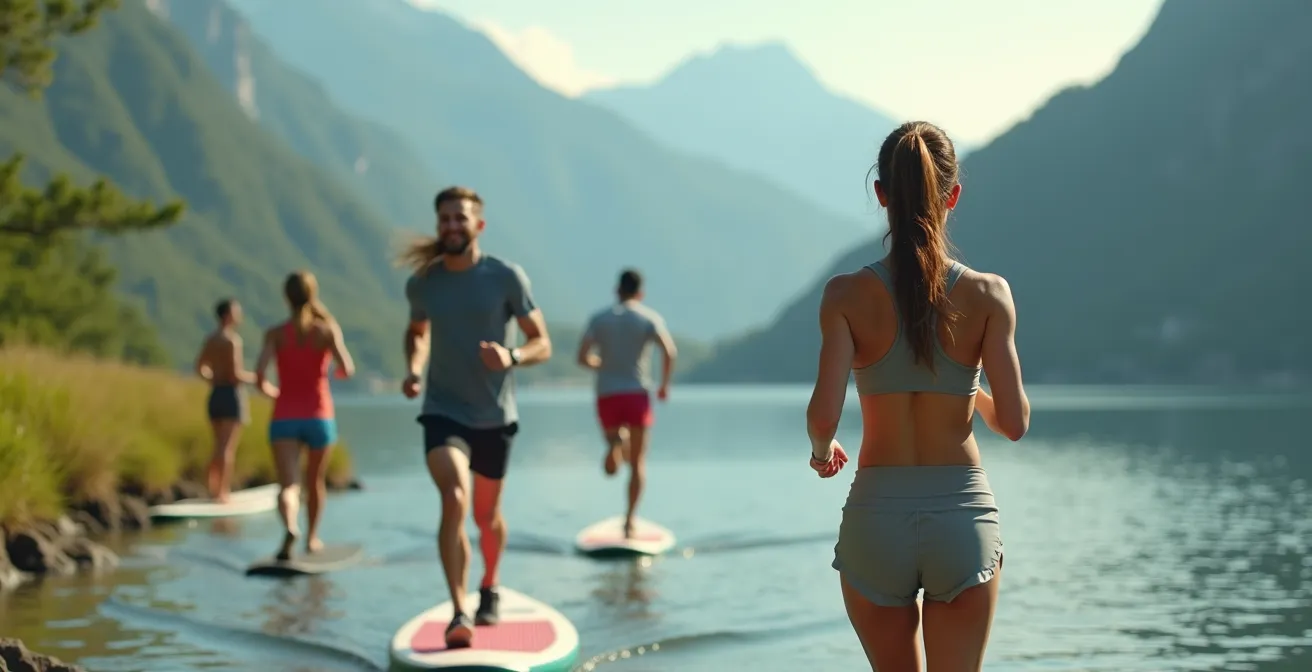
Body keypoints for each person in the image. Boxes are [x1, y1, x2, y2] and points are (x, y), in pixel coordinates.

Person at [806, 120, 1030, 671]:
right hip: (962, 516)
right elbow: (1016, 421)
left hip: (875, 518)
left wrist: (820, 452)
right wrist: (965, 388)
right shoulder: (988, 294)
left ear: (881, 194)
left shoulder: (845, 296)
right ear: (953, 194)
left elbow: (823, 417)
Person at [399, 186, 552, 648]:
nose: (451, 226)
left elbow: (542, 342)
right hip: (443, 411)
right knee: (454, 495)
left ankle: (490, 584)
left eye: (459, 218)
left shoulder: (505, 277)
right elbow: (417, 332)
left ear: (478, 225)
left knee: (487, 517)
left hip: (494, 417)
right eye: (444, 219)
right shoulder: (423, 282)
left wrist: (511, 355)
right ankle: (458, 611)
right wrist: (411, 367)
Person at [253, 270, 355, 562]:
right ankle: (312, 539)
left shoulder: (274, 334)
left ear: (286, 297)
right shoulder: (326, 331)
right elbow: (347, 368)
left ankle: (290, 527)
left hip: (285, 415)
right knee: (315, 482)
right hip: (319, 415)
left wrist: (275, 393)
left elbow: (259, 376)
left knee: (288, 485)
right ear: (313, 294)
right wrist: (332, 372)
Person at [575, 268, 676, 538]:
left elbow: (582, 357)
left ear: (616, 291)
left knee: (612, 466)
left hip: (607, 393)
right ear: (640, 293)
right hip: (637, 393)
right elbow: (669, 351)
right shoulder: (648, 318)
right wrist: (664, 385)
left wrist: (602, 364)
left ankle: (614, 444)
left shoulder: (599, 319)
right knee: (638, 461)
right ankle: (630, 520)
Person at [193, 298, 267, 503]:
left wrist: (213, 379)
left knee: (217, 446)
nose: (240, 315)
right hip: (231, 396)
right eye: (236, 312)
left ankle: (212, 489)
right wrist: (258, 378)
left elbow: (200, 367)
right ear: (227, 315)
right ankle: (222, 493)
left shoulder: (211, 339)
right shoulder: (232, 341)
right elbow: (235, 374)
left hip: (215, 394)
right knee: (227, 448)